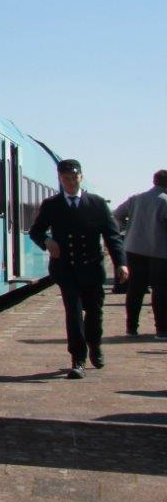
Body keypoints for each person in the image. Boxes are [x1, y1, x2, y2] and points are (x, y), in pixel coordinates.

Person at [27, 159, 128, 378]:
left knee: (94, 313)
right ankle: (78, 359)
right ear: (60, 180)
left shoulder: (97, 204)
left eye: (74, 178)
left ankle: (95, 345)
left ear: (81, 177)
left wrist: (121, 262)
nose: (70, 182)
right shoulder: (52, 205)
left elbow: (112, 236)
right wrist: (46, 241)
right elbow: (36, 231)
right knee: (73, 314)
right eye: (66, 179)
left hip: (91, 267)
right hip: (66, 269)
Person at [114, 170, 167, 338]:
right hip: (159, 251)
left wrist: (125, 230)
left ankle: (131, 328)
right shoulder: (165, 201)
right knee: (160, 290)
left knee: (135, 289)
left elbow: (117, 215)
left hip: (133, 249)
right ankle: (161, 330)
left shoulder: (136, 198)